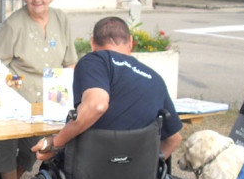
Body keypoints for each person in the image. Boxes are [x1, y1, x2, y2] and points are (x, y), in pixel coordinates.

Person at [0, 0, 77, 179]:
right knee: (6, 148)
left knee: (33, 150)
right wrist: (5, 96)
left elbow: (70, 61)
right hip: (16, 96)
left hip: (51, 98)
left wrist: (71, 92)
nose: (37, 0)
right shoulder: (13, 24)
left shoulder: (61, 19)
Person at [33, 16, 182, 161]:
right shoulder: (154, 78)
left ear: (92, 42)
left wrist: (56, 143)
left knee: (51, 164)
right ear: (130, 42)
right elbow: (173, 139)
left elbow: (97, 105)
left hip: (88, 173)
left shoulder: (95, 61)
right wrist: (148, 170)